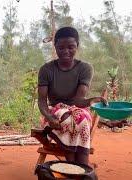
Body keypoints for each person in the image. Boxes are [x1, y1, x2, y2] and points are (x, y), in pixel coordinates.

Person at [37, 26, 107, 165]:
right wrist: (50, 117)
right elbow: (42, 101)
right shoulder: (46, 70)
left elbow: (78, 101)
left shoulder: (85, 68)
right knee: (67, 118)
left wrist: (92, 100)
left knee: (81, 118)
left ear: (77, 46)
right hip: (54, 113)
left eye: (71, 47)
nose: (66, 51)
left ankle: (80, 167)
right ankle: (78, 168)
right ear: (55, 46)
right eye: (61, 47)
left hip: (77, 109)